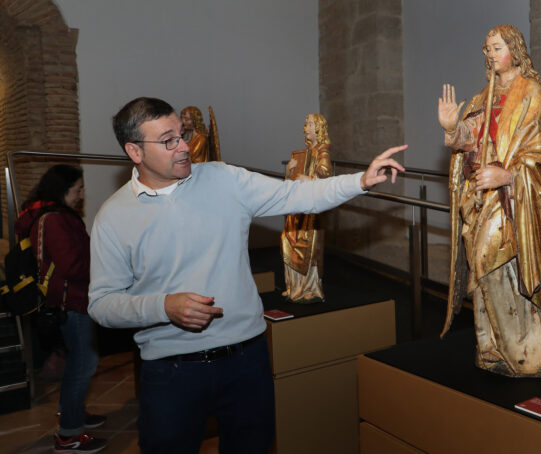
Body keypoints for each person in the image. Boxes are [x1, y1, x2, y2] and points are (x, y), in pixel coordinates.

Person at [88, 97, 406, 453]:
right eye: (168, 140)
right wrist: (164, 307)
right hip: (170, 372)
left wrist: (360, 181)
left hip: (246, 362)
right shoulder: (113, 216)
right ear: (134, 151)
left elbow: (298, 194)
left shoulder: (225, 179)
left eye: (183, 134)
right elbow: (102, 305)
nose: (184, 146)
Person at [437, 24, 541, 378]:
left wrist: (509, 176)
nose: (490, 54)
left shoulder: (531, 92)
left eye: (496, 47)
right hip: (482, 199)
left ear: (514, 50)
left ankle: (525, 349)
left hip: (515, 200)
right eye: (486, 49)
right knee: (482, 265)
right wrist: (453, 128)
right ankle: (494, 347)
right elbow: (472, 137)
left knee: (493, 258)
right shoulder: (484, 95)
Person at [15, 165, 107, 453]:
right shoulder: (55, 220)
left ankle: (73, 411)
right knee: (84, 363)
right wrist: (107, 270)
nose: (81, 195)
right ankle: (69, 433)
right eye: (76, 189)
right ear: (60, 190)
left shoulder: (55, 216)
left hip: (72, 299)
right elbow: (72, 266)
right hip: (72, 300)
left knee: (79, 362)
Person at [281, 113, 332, 303]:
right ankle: (294, 286)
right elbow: (291, 180)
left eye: (310, 124)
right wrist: (289, 172)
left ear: (318, 128)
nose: (306, 128)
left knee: (308, 248)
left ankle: (309, 287)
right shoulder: (303, 153)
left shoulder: (322, 151)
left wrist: (308, 180)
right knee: (287, 240)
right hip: (297, 207)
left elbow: (325, 176)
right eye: (305, 125)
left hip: (311, 209)